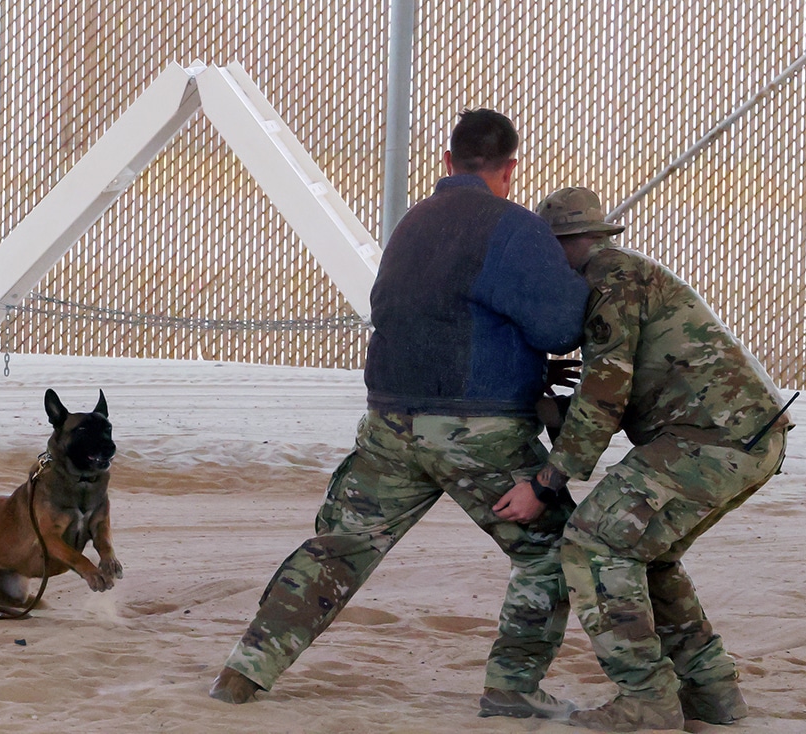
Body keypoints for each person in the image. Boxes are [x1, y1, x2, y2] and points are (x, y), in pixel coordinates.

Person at [208, 110, 590, 719]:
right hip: (477, 430)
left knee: (338, 549)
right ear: (510, 168)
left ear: (447, 162)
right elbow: (560, 325)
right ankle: (513, 690)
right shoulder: (516, 228)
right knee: (554, 549)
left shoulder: (411, 223)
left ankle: (243, 672)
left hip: (387, 423)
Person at [525, 187, 794, 731]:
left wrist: (551, 478)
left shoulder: (608, 280)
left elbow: (605, 393)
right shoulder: (626, 272)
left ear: (557, 246)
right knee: (648, 554)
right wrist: (553, 413)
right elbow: (616, 390)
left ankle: (646, 700)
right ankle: (711, 693)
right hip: (743, 436)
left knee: (594, 541)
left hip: (710, 439)